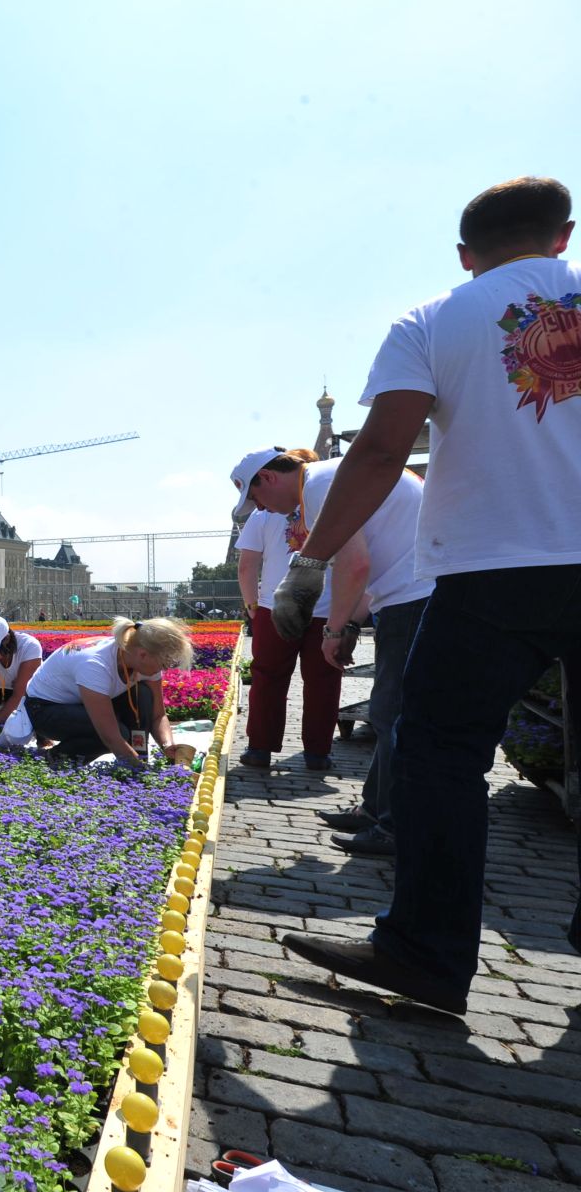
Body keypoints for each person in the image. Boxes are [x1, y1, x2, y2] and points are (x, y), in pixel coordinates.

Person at [271, 177, 581, 1016]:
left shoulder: (435, 317)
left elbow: (378, 454)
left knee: (441, 754)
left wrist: (311, 565)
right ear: (563, 237)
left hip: (494, 569)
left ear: (465, 254)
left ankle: (428, 952)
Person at [233, 444, 430, 855]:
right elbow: (360, 562)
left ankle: (393, 826)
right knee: (386, 709)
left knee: (393, 714)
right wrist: (351, 620)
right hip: (407, 593)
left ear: (267, 478)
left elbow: (355, 564)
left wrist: (336, 629)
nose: (264, 510)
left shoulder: (321, 485)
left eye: (257, 499)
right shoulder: (328, 477)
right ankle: (376, 810)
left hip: (414, 596)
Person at [232, 465, 344, 773]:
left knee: (268, 677)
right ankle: (318, 753)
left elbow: (247, 566)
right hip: (325, 607)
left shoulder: (261, 516)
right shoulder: (327, 500)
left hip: (274, 606)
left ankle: (259, 748)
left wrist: (251, 603)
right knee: (324, 681)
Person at [2, 617, 195, 769]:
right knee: (118, 734)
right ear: (143, 654)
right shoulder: (95, 665)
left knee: (143, 695)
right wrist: (142, 774)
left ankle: (138, 753)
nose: (165, 669)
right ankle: (53, 760)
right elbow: (109, 735)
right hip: (43, 710)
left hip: (78, 704)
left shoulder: (141, 659)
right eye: (164, 664)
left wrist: (168, 746)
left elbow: (158, 714)